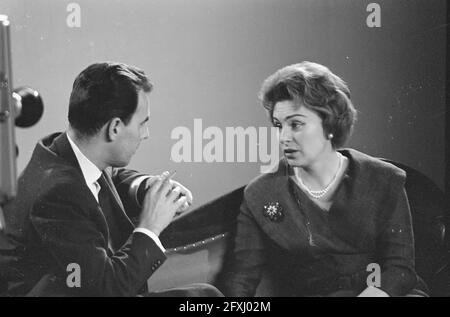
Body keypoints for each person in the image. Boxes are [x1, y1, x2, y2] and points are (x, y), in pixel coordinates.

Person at [0, 62, 222, 297]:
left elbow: (107, 178)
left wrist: (144, 188)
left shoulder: (63, 151)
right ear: (114, 128)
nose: (146, 134)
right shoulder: (58, 195)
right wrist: (150, 226)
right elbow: (105, 289)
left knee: (204, 295)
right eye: (142, 123)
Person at [221, 61, 428, 297]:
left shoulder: (383, 178)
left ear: (329, 124)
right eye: (279, 125)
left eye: (296, 124)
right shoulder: (261, 193)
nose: (283, 137)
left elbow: (400, 268)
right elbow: (241, 279)